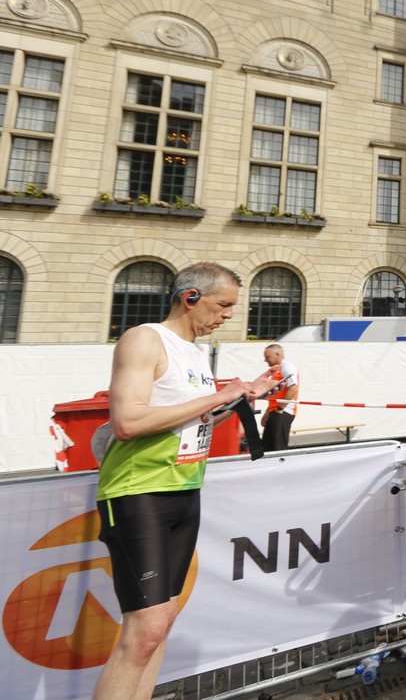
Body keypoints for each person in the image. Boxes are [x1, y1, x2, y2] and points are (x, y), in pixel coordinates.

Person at [93, 263, 274, 700]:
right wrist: (219, 395)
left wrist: (239, 399)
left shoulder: (194, 352)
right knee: (145, 629)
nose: (229, 315)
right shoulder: (144, 339)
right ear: (190, 297)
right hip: (140, 490)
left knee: (162, 623)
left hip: (184, 489)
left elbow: (192, 420)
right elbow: (128, 422)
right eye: (223, 304)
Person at [258, 344, 299, 452]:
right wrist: (268, 412)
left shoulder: (287, 367)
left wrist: (280, 408)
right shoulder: (279, 369)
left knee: (278, 448)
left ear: (277, 354)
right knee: (267, 447)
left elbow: (294, 388)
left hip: (283, 412)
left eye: (268, 357)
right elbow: (276, 395)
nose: (265, 360)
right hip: (276, 411)